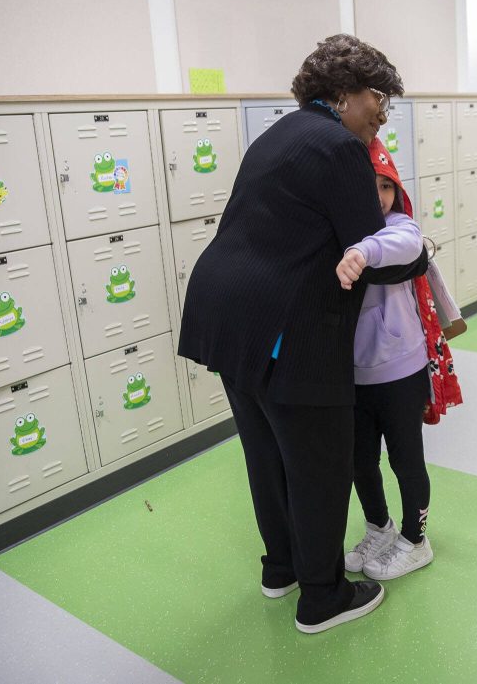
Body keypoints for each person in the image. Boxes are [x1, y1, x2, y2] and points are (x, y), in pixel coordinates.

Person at [178, 34, 428, 635]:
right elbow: (367, 249)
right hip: (286, 327)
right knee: (318, 464)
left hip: (227, 317)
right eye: (377, 97)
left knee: (267, 456)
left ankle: (281, 568)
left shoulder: (281, 133)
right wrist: (420, 251)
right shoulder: (340, 147)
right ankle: (322, 597)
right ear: (343, 94)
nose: (383, 112)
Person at [334, 138, 464, 581]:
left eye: (385, 186)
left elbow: (407, 245)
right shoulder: (335, 226)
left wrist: (360, 253)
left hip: (400, 369)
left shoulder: (400, 226)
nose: (378, 196)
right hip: (352, 372)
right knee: (359, 460)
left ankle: (415, 538)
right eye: (367, 186)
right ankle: (379, 528)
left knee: (406, 460)